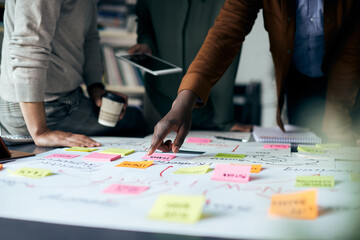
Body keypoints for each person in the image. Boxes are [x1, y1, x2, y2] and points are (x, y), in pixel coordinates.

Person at [148, 0, 360, 155]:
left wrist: (339, 120)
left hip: (353, 84)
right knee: (307, 160)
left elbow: (350, 56)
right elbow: (226, 32)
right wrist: (183, 101)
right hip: (299, 81)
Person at [0, 0, 146, 148]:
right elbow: (28, 49)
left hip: (68, 99)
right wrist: (40, 132)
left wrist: (95, 87)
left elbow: (89, 37)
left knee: (135, 119)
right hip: (38, 109)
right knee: (136, 121)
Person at [128, 0, 251, 132]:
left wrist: (226, 122)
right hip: (158, 95)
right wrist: (145, 43)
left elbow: (226, 39)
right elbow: (144, 21)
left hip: (211, 107)